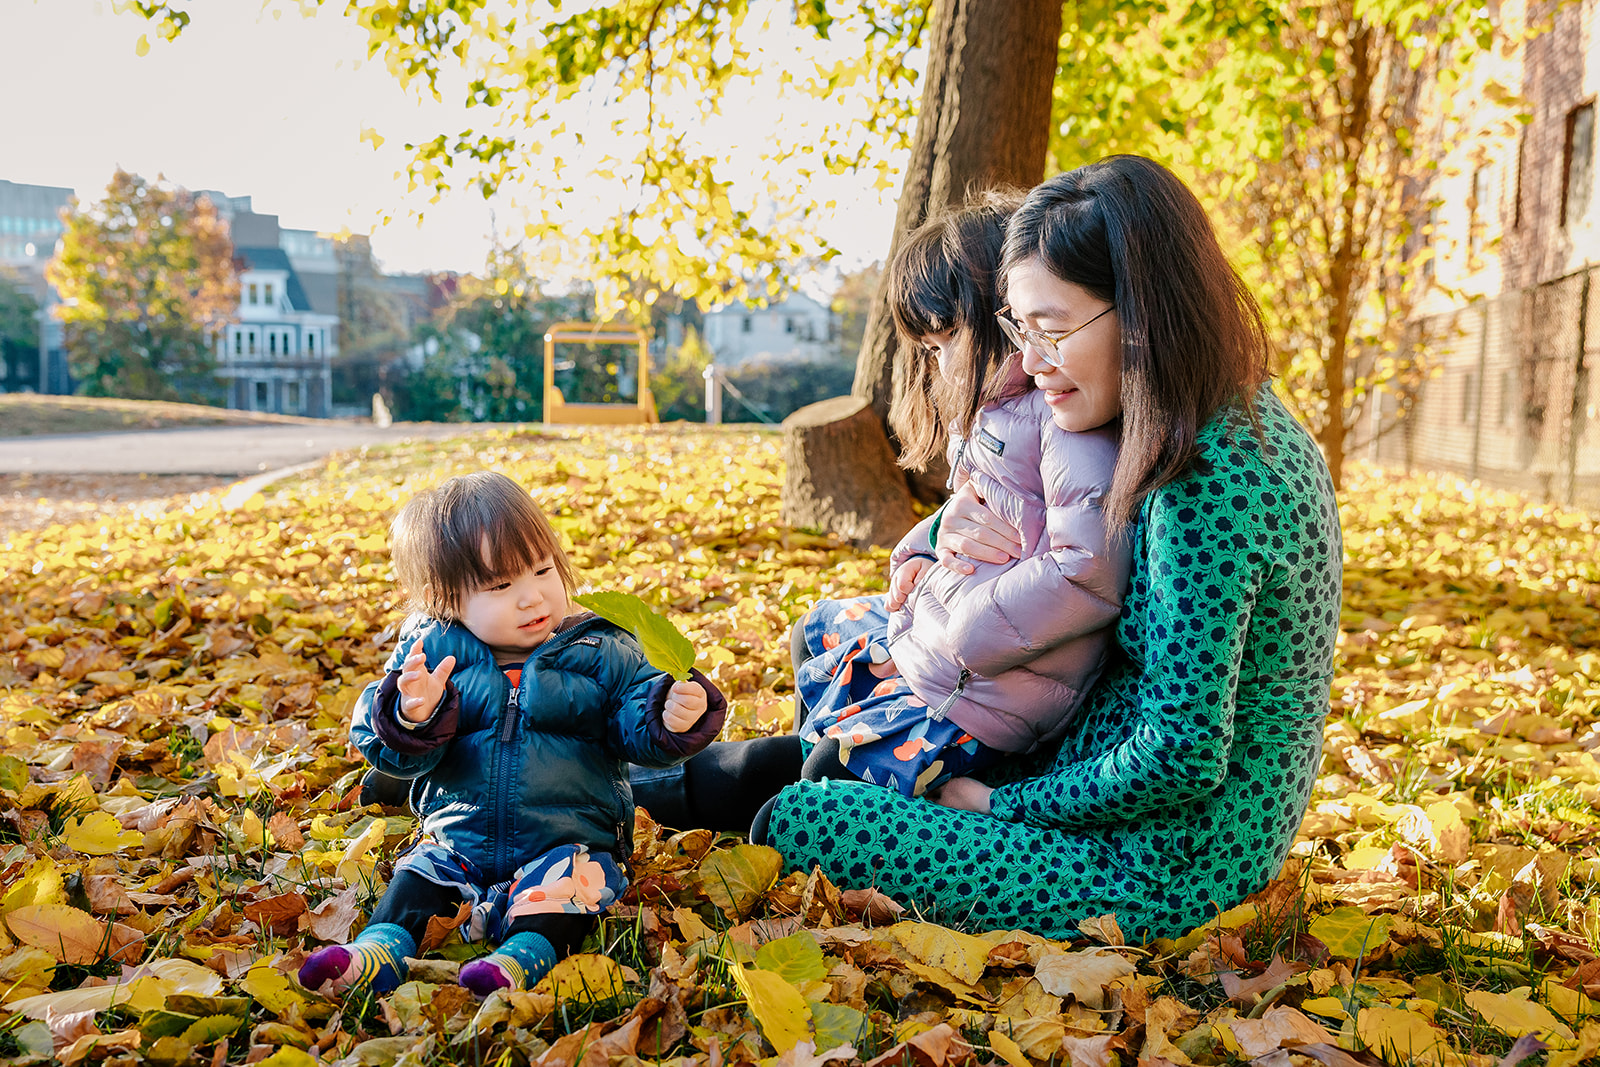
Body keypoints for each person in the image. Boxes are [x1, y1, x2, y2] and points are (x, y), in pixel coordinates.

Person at [760, 155, 1343, 941]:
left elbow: (1182, 756)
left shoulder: (1212, 480)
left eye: (1052, 329)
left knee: (808, 817)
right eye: (1016, 329)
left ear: (1142, 311)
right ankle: (623, 785)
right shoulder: (1192, 416)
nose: (1029, 363)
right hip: (1079, 769)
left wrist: (999, 804)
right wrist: (940, 531)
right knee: (839, 724)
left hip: (1157, 858)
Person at [299, 471, 726, 996]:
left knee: (571, 889)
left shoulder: (600, 649)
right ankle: (380, 948)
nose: (532, 598)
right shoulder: (432, 657)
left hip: (569, 840)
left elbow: (635, 724)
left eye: (543, 570)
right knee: (419, 875)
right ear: (446, 599)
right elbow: (387, 749)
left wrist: (669, 714)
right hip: (459, 838)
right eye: (501, 586)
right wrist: (413, 716)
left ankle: (520, 959)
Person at [796, 193, 1130, 798]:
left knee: (827, 773)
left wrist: (965, 633)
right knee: (816, 630)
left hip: (989, 690)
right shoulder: (991, 415)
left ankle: (876, 796)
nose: (941, 365)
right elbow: (969, 519)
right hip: (950, 643)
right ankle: (831, 763)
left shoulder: (1062, 423)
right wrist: (921, 551)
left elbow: (1088, 572)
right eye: (929, 349)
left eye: (948, 340)